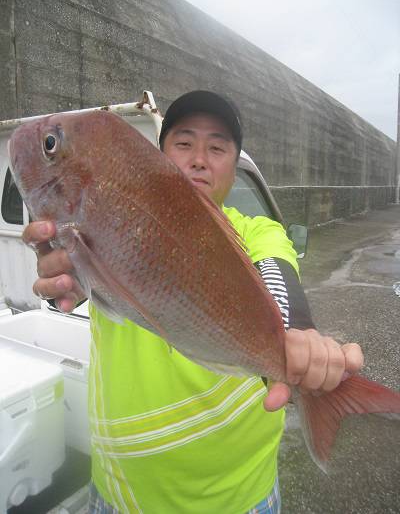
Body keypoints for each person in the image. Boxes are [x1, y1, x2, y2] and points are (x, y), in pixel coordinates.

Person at [23, 91, 363, 513]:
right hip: (122, 495)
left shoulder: (259, 232)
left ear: (234, 164)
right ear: (160, 154)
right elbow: (77, 280)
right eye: (184, 143)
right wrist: (67, 278)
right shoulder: (114, 218)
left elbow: (276, 276)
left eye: (217, 147)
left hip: (241, 498)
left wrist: (295, 336)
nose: (200, 158)